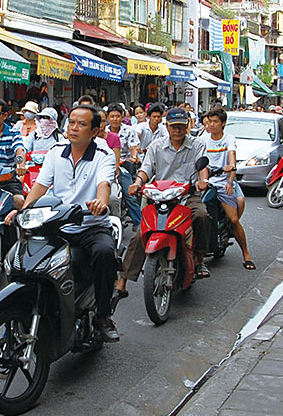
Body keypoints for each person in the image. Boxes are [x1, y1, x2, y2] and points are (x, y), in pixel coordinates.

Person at [8, 104, 120, 342]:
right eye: (71, 123)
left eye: (82, 124)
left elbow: (104, 185)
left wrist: (100, 203)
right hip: (57, 224)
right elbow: (40, 186)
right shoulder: (55, 151)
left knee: (104, 253)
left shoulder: (104, 154)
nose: (74, 128)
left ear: (95, 131)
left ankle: (102, 315)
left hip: (91, 225)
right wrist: (23, 210)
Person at [115, 107, 212, 300]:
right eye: (173, 126)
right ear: (167, 127)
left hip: (187, 196)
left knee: (201, 216)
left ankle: (199, 258)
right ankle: (123, 280)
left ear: (187, 127)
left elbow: (203, 167)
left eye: (181, 127)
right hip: (159, 198)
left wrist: (203, 181)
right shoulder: (156, 146)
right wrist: (137, 183)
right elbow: (146, 169)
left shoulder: (197, 144)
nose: (177, 130)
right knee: (140, 235)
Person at [199, 107, 255, 270]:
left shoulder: (229, 139)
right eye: (210, 121)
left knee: (234, 219)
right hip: (208, 182)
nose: (211, 125)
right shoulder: (203, 139)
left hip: (224, 183)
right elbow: (201, 161)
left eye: (215, 121)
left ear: (223, 123)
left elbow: (232, 159)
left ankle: (246, 254)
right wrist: (203, 179)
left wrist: (230, 180)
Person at [108, 104, 140, 227]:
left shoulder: (129, 131)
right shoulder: (103, 132)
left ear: (122, 117)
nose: (115, 119)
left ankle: (139, 223)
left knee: (130, 194)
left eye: (117, 116)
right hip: (106, 167)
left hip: (124, 166)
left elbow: (133, 147)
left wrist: (133, 157)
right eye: (112, 116)